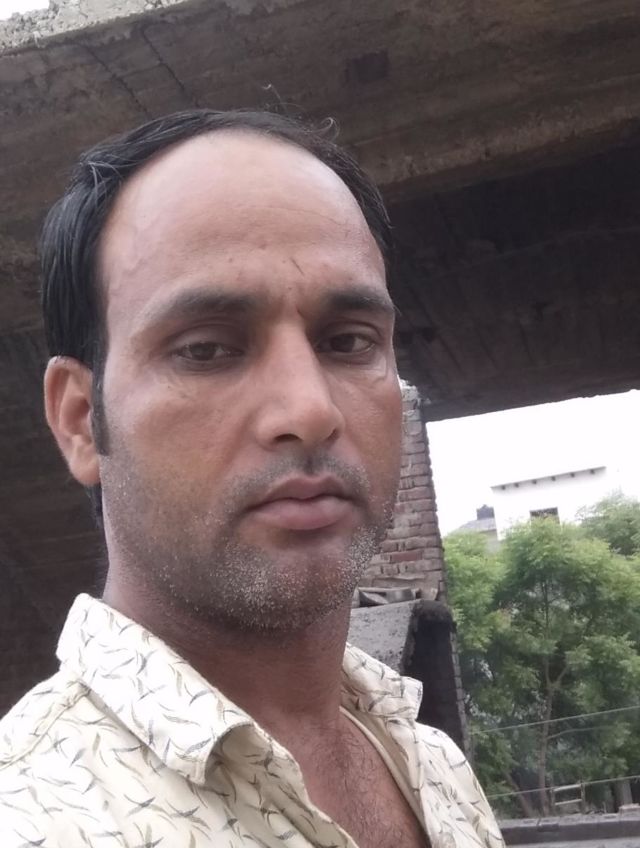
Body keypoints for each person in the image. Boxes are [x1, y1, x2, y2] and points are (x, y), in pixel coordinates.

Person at [0, 109, 504, 848]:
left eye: (348, 341)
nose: (310, 409)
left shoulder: (435, 766)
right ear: (80, 421)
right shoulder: (30, 817)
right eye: (207, 349)